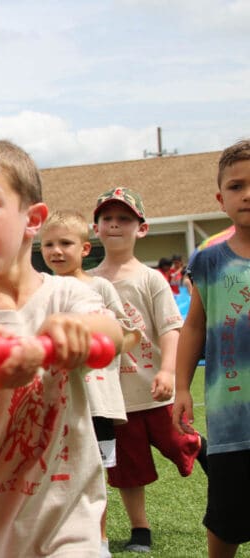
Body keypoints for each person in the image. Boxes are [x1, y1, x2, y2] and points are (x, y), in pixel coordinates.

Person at [0, 139, 130, 558]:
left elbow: (111, 333)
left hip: (66, 516)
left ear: (33, 219)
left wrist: (80, 331)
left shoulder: (66, 294)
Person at [89, 186, 207, 553]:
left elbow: (172, 329)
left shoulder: (150, 278)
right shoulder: (88, 282)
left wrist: (168, 372)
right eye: (107, 218)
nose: (114, 225)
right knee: (127, 470)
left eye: (124, 218)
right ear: (95, 229)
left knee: (180, 443)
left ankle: (212, 461)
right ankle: (141, 530)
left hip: (156, 392)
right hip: (114, 402)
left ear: (142, 228)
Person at [40, 209, 137, 558]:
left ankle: (100, 543)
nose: (56, 251)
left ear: (84, 248)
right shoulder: (41, 289)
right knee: (56, 477)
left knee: (94, 477)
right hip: (56, 404)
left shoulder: (100, 287)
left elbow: (127, 335)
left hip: (97, 401)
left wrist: (101, 346)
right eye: (48, 244)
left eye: (65, 243)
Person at [173, 139, 250, 558]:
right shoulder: (208, 260)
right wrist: (182, 388)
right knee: (226, 515)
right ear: (221, 199)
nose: (248, 194)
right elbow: (194, 326)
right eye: (237, 186)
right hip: (229, 420)